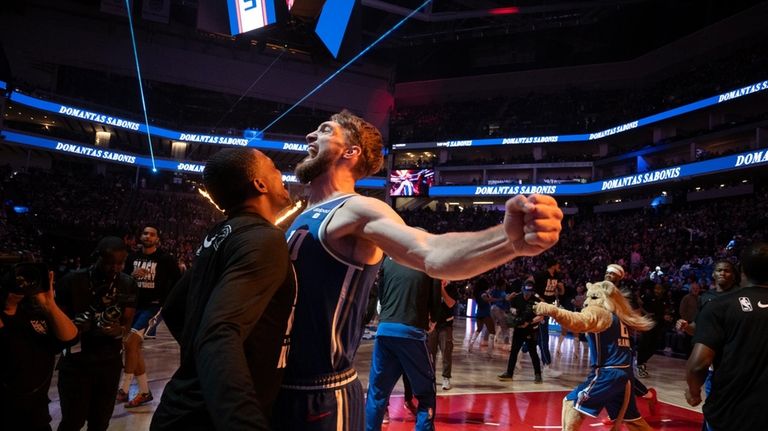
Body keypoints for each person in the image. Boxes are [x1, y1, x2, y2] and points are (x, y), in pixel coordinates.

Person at [273, 110, 563, 431]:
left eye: (324, 131)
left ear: (350, 152)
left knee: (406, 390)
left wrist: (508, 239)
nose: (310, 136)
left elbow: (432, 253)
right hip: (280, 386)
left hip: (320, 397)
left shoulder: (357, 208)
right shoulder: (301, 215)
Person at [151, 148, 296, 430]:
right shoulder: (264, 238)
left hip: (181, 406)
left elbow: (173, 306)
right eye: (274, 168)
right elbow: (218, 332)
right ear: (260, 184)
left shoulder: (220, 234)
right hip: (209, 417)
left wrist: (201, 361)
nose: (282, 175)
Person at [535, 281, 655, 430]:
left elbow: (577, 322)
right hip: (625, 375)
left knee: (571, 403)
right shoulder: (619, 317)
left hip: (607, 373)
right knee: (632, 420)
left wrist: (553, 311)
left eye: (592, 297)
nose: (586, 302)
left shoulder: (600, 312)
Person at [55, 237, 138, 431]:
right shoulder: (72, 281)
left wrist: (120, 330)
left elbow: (127, 323)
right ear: (98, 258)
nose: (116, 268)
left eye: (121, 263)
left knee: (100, 422)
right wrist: (75, 326)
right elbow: (58, 322)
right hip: (77, 363)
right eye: (111, 263)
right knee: (72, 421)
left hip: (109, 363)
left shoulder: (128, 283)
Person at [686, 243, 768, 430]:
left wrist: (693, 392)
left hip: (732, 413)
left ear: (742, 271)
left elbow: (699, 364)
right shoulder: (710, 300)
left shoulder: (719, 306)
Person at [365, 255, 441, 431]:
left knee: (377, 393)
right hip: (411, 332)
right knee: (426, 393)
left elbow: (381, 295)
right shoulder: (429, 259)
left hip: (385, 330)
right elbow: (435, 299)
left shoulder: (389, 260)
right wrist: (433, 319)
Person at [0, 267, 78, 431]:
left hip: (36, 415)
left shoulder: (33, 314)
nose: (19, 285)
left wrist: (49, 305)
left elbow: (70, 338)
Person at [119, 225, 181, 408]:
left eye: (152, 234)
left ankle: (124, 389)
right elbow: (123, 281)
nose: (148, 236)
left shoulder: (166, 259)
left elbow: (178, 282)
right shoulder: (132, 257)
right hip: (133, 306)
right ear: (141, 236)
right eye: (145, 233)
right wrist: (131, 275)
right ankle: (144, 392)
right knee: (133, 347)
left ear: (158, 239)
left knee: (130, 342)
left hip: (153, 306)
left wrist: (167, 303)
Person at [497, 280, 544, 383]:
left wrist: (529, 322)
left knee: (533, 352)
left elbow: (541, 316)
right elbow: (511, 311)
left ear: (532, 291)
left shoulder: (537, 301)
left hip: (531, 329)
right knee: (514, 351)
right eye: (526, 291)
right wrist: (515, 319)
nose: (527, 294)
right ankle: (509, 373)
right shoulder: (516, 298)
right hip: (519, 329)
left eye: (530, 292)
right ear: (522, 289)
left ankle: (538, 375)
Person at [533, 258, 564, 376]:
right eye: (558, 264)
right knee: (543, 336)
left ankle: (521, 351)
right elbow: (530, 286)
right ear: (553, 265)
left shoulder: (557, 276)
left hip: (548, 307)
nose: (559, 266)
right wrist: (539, 298)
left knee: (537, 336)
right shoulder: (541, 275)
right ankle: (546, 366)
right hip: (540, 307)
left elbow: (561, 292)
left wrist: (561, 287)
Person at [428, 280, 458, 391]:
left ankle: (446, 378)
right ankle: (431, 378)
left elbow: (450, 303)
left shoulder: (452, 288)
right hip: (433, 325)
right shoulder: (432, 285)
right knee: (430, 354)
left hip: (446, 325)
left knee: (446, 352)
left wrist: (441, 289)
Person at [467, 278, 496, 357]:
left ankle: (470, 346)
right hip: (485, 313)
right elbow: (486, 299)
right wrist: (498, 299)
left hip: (479, 312)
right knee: (492, 332)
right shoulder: (483, 293)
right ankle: (489, 353)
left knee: (479, 329)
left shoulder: (477, 292)